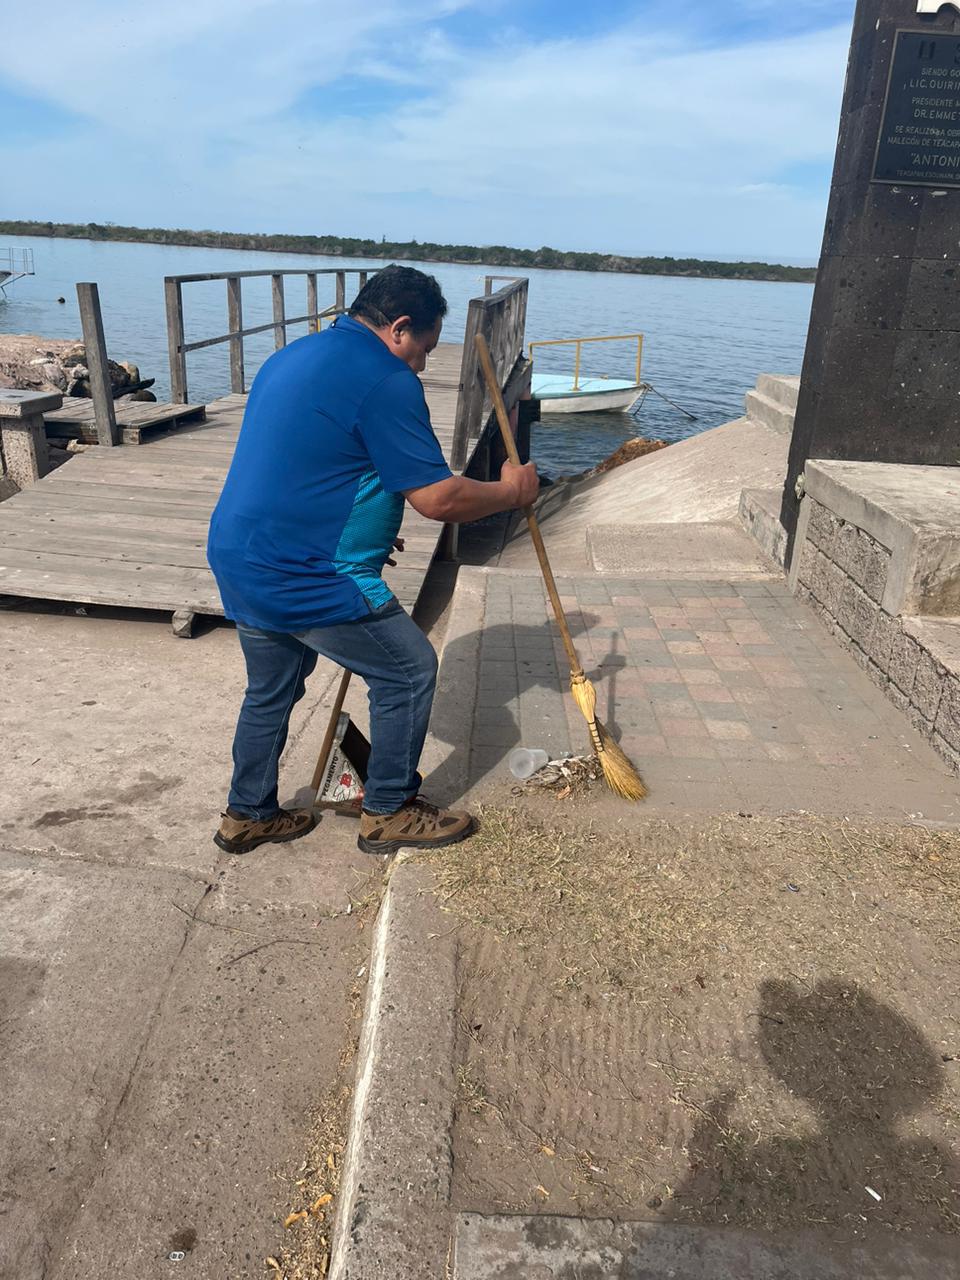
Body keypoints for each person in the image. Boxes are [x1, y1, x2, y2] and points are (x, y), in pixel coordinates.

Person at [207, 265, 539, 856]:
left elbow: (319, 462)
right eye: (423, 350)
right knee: (408, 671)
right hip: (305, 572)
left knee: (271, 691)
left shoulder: (292, 354)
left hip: (240, 552)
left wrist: (369, 528)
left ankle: (247, 815)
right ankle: (389, 810)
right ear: (400, 328)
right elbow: (439, 499)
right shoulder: (386, 379)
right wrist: (512, 493)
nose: (421, 366)